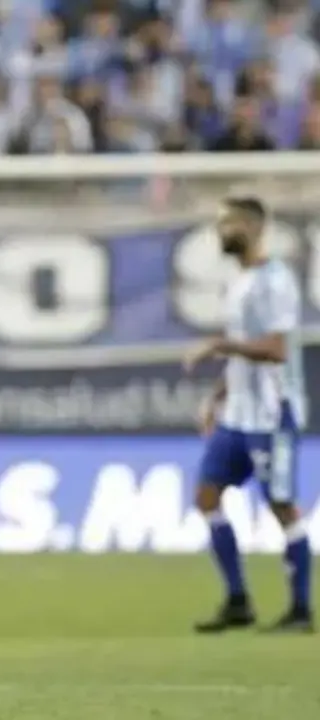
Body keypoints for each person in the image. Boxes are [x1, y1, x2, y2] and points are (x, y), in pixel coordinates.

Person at [183, 196, 313, 634]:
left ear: (253, 227)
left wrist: (218, 346)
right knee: (206, 496)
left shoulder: (276, 281)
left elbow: (275, 350)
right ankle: (238, 601)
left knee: (281, 506)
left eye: (228, 224)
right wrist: (219, 394)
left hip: (273, 413)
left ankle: (300, 610)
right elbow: (245, 346)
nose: (221, 232)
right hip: (238, 413)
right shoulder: (239, 281)